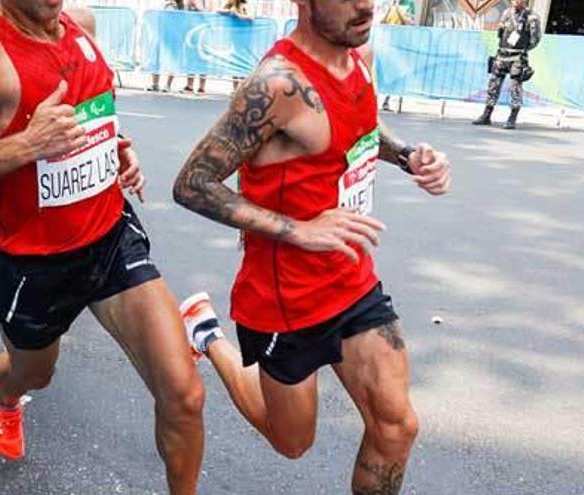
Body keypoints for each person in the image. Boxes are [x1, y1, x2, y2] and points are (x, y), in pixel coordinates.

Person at [0, 1, 206, 492]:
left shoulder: (79, 25)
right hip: (33, 266)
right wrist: (27, 145)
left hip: (110, 238)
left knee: (183, 394)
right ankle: (4, 395)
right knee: (34, 373)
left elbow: (86, 110)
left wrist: (114, 145)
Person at [173, 0, 451, 491]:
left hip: (351, 279)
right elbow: (193, 183)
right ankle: (207, 334)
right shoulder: (276, 85)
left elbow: (357, 130)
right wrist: (300, 230)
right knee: (292, 442)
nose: (366, 5)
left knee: (397, 427)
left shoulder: (357, 57)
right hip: (285, 302)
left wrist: (408, 156)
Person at [472, 0, 541, 130]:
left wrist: (522, 48)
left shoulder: (532, 17)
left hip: (517, 56)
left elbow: (535, 39)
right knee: (493, 84)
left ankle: (512, 117)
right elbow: (500, 33)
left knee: (515, 87)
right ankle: (487, 115)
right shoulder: (506, 13)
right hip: (502, 54)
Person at [218, 0, 253, 93]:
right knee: (234, 62)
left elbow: (251, 17)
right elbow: (218, 11)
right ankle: (235, 88)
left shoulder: (245, 5)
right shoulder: (230, 5)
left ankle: (242, 88)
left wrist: (238, 15)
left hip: (245, 38)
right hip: (234, 38)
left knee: (243, 63)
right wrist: (228, 12)